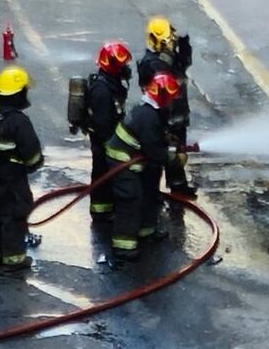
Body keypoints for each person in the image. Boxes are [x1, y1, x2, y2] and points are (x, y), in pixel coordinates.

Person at [105, 71, 181, 261]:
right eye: (170, 98)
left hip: (135, 159)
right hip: (122, 162)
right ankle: (123, 246)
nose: (172, 102)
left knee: (150, 192)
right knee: (130, 199)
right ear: (162, 97)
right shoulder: (148, 117)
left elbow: (153, 141)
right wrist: (175, 159)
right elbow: (154, 151)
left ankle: (146, 230)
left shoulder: (150, 111)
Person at [0, 65, 43, 271]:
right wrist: (34, 164)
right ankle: (14, 259)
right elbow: (32, 154)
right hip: (13, 181)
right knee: (13, 215)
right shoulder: (18, 121)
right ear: (17, 94)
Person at [137, 16, 196, 197]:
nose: (171, 43)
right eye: (168, 40)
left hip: (178, 115)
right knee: (160, 156)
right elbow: (162, 86)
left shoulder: (169, 59)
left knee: (177, 154)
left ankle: (178, 186)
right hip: (164, 117)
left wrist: (184, 48)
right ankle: (151, 194)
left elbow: (183, 67)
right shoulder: (152, 63)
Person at [83, 40, 132, 224]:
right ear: (113, 66)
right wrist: (112, 146)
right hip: (104, 141)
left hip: (107, 138)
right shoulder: (102, 90)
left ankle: (105, 208)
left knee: (104, 174)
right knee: (103, 174)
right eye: (123, 64)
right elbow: (103, 123)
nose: (126, 67)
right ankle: (101, 212)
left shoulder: (111, 83)